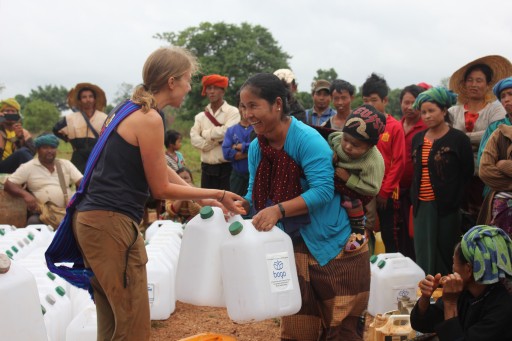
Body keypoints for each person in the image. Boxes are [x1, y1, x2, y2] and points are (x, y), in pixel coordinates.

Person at [45, 47, 245, 341]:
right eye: (189, 79)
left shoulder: (127, 109)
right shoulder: (150, 118)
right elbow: (160, 188)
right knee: (133, 327)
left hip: (92, 222)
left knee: (113, 324)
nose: (191, 87)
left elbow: (159, 166)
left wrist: (203, 197)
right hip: (110, 224)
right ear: (172, 81)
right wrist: (220, 191)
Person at [240, 73, 368, 340]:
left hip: (332, 244)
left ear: (277, 104)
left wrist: (279, 210)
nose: (247, 114)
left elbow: (323, 190)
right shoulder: (256, 147)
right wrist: (238, 204)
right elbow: (254, 193)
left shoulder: (306, 139)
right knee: (298, 326)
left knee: (340, 327)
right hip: (291, 246)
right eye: (243, 106)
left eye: (253, 106)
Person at [411, 87, 474, 276]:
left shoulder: (458, 139)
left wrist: (454, 198)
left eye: (432, 111)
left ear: (444, 111)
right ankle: (426, 297)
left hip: (447, 206)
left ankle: (447, 296)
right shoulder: (417, 139)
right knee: (423, 252)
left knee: (446, 253)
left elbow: (467, 172)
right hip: (422, 205)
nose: (427, 116)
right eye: (423, 112)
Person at [410, 225, 512, 340]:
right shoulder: (464, 293)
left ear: (468, 269)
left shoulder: (501, 311)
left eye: (454, 263)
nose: (452, 269)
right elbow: (421, 324)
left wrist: (450, 303)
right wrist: (425, 297)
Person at [448, 55, 512, 228]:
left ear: (488, 84)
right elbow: (450, 138)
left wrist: (461, 138)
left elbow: (491, 137)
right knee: (463, 222)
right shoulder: (454, 110)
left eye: (479, 80)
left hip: (485, 180)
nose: (474, 84)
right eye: (470, 80)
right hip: (461, 174)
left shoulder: (496, 108)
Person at [327, 105, 385, 249]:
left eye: (355, 145)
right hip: (334, 178)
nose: (347, 147)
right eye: (346, 139)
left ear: (369, 147)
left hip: (357, 189)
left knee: (353, 202)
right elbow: (331, 138)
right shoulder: (339, 138)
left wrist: (349, 179)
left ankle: (358, 231)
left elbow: (372, 189)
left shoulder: (373, 162)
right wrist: (331, 152)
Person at [362, 73, 405, 253]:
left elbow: (399, 162)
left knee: (389, 236)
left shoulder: (394, 126)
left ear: (385, 100)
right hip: (365, 189)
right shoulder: (361, 124)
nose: (369, 105)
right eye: (365, 101)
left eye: (373, 100)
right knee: (363, 233)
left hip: (387, 194)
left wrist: (385, 191)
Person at [4, 133, 82, 229]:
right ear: (38, 150)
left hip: (67, 211)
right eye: (45, 147)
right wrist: (26, 195)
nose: (49, 151)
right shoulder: (28, 167)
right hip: (44, 214)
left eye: (52, 147)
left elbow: (82, 182)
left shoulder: (65, 164)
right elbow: (8, 184)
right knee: (33, 222)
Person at [190, 74, 240, 190]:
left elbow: (228, 132)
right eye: (209, 88)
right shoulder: (200, 116)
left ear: (223, 91)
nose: (212, 92)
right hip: (206, 168)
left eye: (216, 88)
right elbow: (193, 138)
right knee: (208, 206)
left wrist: (205, 134)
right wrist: (214, 143)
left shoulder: (233, 112)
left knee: (227, 204)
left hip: (227, 168)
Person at [477, 80, 512, 234]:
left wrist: (503, 164)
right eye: (503, 96)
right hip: (498, 193)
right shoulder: (496, 129)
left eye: (510, 94)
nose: (506, 99)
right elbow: (485, 169)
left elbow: (495, 165)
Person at [398, 84, 427, 260]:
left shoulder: (426, 128)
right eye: (405, 102)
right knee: (399, 234)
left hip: (417, 192)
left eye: (413, 103)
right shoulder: (395, 125)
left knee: (415, 233)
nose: (409, 107)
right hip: (396, 191)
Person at [53, 83, 108, 173]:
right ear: (79, 100)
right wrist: (67, 139)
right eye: (84, 97)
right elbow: (56, 129)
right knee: (79, 182)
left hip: (97, 155)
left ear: (94, 99)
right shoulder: (70, 118)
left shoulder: (104, 118)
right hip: (78, 156)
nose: (88, 100)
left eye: (90, 97)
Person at [222, 92, 254, 197]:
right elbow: (226, 153)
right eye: (242, 106)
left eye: (249, 106)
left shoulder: (258, 128)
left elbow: (263, 147)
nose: (245, 110)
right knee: (236, 204)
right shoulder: (231, 130)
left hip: (255, 176)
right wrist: (252, 151)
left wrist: (239, 146)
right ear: (238, 108)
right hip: (237, 176)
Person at [0, 98, 35, 173]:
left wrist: (20, 139)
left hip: (18, 166)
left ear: (17, 115)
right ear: (1, 114)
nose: (10, 113)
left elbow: (30, 154)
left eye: (13, 111)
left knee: (22, 152)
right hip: (2, 167)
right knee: (21, 152)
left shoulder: (24, 132)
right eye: (7, 111)